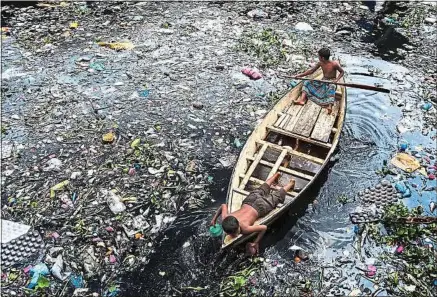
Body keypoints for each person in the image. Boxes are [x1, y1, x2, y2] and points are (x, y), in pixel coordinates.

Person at [210, 173, 296, 255]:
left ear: (239, 228)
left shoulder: (245, 228)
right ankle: (276, 176)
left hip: (261, 207)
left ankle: (291, 183)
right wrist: (214, 219)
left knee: (277, 196)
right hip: (250, 200)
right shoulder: (226, 217)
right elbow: (223, 205)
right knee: (262, 189)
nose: (234, 235)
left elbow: (264, 227)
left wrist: (256, 242)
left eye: (235, 233)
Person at [294, 48, 344, 114]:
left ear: (322, 58)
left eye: (318, 56)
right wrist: (300, 75)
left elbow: (342, 72)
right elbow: (311, 71)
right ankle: (302, 100)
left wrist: (337, 80)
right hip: (323, 81)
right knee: (307, 82)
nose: (318, 57)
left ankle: (330, 106)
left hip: (331, 82)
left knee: (332, 87)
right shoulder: (320, 63)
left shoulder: (334, 64)